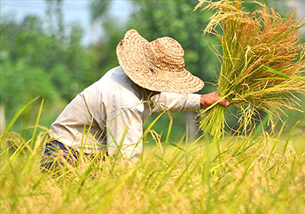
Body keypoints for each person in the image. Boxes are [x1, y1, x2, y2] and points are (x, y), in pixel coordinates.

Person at [42, 29, 229, 169]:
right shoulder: (125, 102)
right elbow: (125, 161)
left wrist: (201, 100)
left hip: (79, 153)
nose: (164, 88)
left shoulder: (125, 76)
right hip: (67, 157)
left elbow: (161, 98)